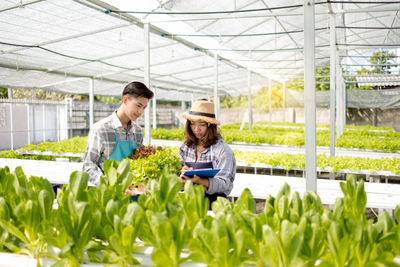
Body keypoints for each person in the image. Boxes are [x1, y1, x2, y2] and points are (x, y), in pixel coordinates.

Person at [83, 81, 154, 186]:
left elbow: (138, 163)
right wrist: (109, 185)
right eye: (138, 105)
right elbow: (88, 166)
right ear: (125, 100)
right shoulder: (101, 129)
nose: (140, 112)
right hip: (110, 195)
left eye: (144, 107)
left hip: (135, 193)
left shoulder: (138, 131)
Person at [178, 100, 236, 209]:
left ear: (211, 126)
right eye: (192, 124)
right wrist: (181, 176)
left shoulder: (223, 151)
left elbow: (225, 184)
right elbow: (176, 175)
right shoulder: (185, 148)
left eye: (202, 124)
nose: (196, 129)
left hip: (216, 205)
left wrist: (199, 180)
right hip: (190, 202)